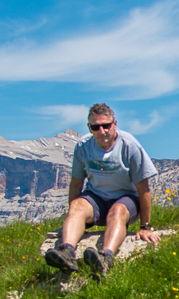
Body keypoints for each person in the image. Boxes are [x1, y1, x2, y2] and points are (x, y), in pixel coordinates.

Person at [44, 103, 161, 277]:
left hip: (126, 199)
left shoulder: (130, 146)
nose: (102, 131)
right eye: (96, 127)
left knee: (118, 211)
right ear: (89, 128)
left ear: (114, 124)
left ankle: (105, 256)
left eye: (106, 125)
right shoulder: (83, 147)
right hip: (96, 198)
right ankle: (67, 252)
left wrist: (145, 226)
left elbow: (143, 188)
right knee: (77, 206)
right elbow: (76, 184)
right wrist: (73, 219)